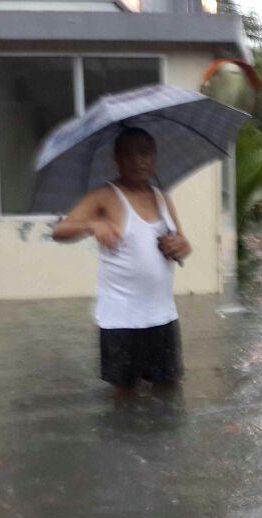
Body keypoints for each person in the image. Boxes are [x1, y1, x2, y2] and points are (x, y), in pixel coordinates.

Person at [51, 127, 191, 396]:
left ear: (155, 157)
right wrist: (94, 224)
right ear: (117, 159)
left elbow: (182, 246)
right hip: (121, 318)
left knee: (169, 390)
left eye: (145, 153)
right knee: (126, 395)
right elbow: (60, 231)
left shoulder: (163, 198)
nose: (139, 160)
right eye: (129, 154)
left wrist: (180, 246)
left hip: (162, 314)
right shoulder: (104, 196)